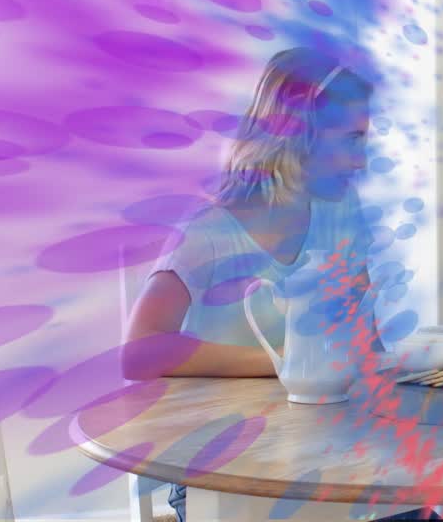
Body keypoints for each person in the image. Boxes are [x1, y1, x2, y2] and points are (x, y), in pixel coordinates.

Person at [123, 47, 381, 521]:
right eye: (351, 139)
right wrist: (283, 365)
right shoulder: (210, 231)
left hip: (328, 458)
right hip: (222, 471)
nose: (361, 161)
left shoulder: (342, 212)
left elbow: (365, 341)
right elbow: (139, 353)